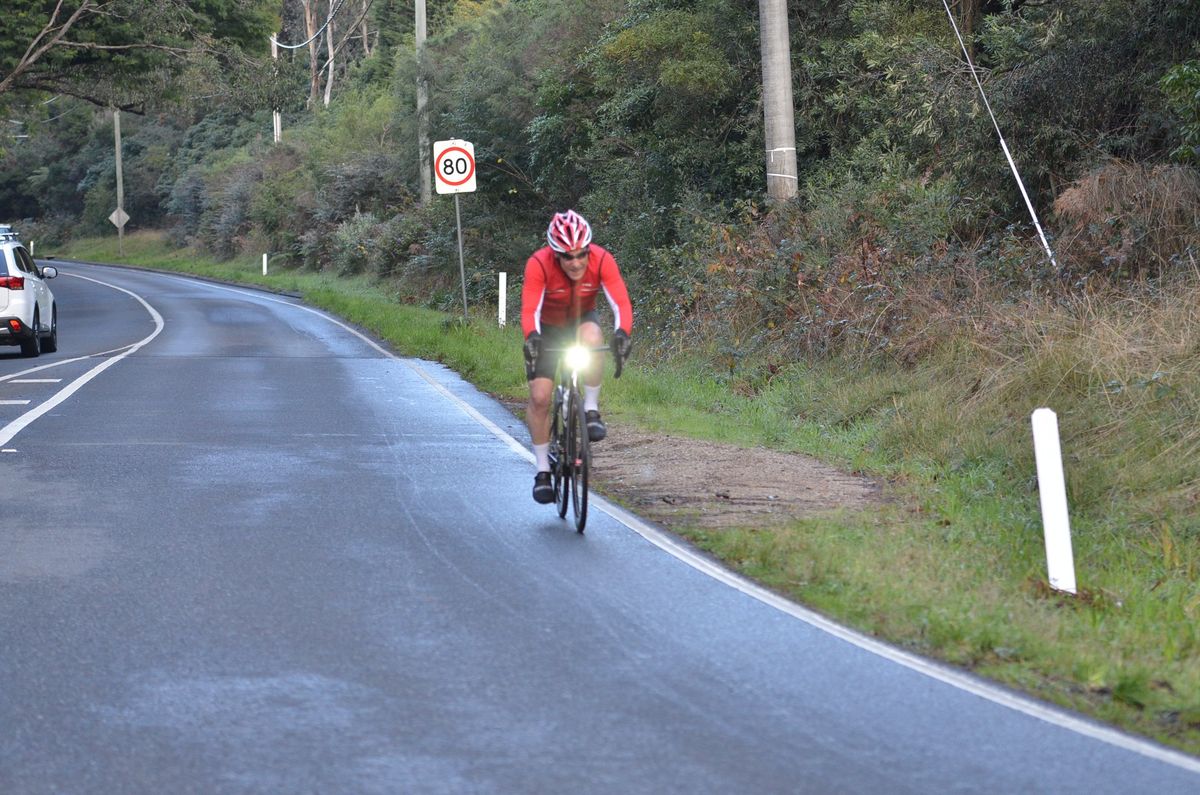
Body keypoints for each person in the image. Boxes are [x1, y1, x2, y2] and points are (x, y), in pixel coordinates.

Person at [521, 210, 633, 504]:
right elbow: (530, 309)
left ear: (588, 249)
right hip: (547, 329)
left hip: (582, 319)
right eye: (567, 257)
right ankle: (543, 470)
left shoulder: (602, 259)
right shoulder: (538, 264)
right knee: (541, 397)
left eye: (581, 254)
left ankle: (591, 409)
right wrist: (532, 338)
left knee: (594, 340)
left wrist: (622, 333)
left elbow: (620, 301)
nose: (576, 262)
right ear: (555, 254)